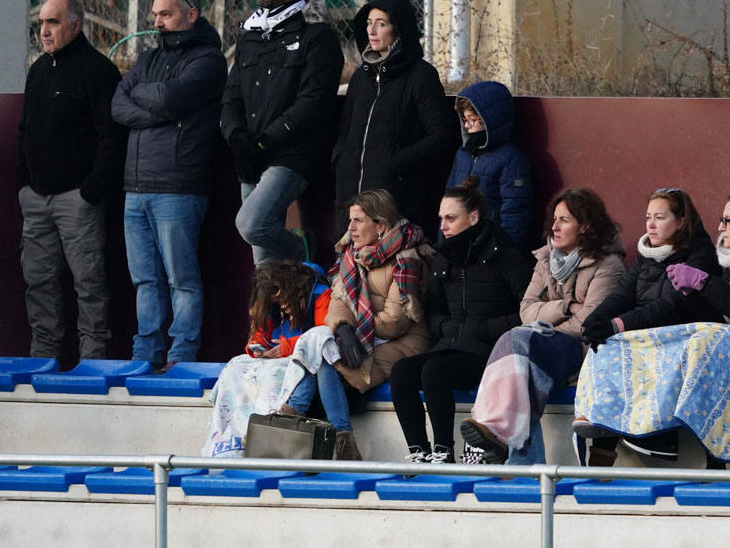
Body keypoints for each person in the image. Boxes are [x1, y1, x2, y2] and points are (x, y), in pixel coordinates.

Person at [574, 188, 730, 466]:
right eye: (722, 220)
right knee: (612, 341)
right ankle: (601, 423)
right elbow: (716, 316)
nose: (721, 227)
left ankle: (694, 448)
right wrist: (694, 294)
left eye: (729, 221)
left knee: (701, 345)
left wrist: (703, 284)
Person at [459, 187, 625, 464]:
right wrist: (563, 307)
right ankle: (512, 450)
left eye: (565, 220)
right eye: (554, 219)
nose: (554, 227)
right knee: (520, 358)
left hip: (583, 350)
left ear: (585, 227)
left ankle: (495, 432)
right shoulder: (546, 258)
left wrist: (543, 326)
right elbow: (526, 311)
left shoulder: (608, 264)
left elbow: (588, 322)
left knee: (520, 342)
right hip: (542, 349)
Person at [110, 0, 226, 369]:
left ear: (191, 15)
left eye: (166, 14)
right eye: (155, 14)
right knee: (145, 280)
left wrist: (153, 99)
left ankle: (180, 356)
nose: (157, 22)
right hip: (135, 186)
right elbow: (118, 105)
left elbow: (167, 98)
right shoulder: (146, 60)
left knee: (181, 279)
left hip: (179, 186)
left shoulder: (208, 60)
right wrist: (155, 107)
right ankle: (146, 353)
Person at [573, 187, 723, 465]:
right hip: (650, 332)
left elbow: (672, 306)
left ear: (680, 221)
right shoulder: (647, 252)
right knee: (605, 342)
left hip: (684, 334)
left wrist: (618, 324)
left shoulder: (699, 254)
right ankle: (598, 427)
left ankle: (655, 435)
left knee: (624, 341)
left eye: (660, 217)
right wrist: (596, 318)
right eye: (648, 217)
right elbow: (623, 292)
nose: (651, 224)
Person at [389, 180, 534, 463]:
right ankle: (419, 452)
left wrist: (483, 329)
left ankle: (444, 452)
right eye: (441, 218)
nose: (443, 225)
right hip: (450, 345)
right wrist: (445, 328)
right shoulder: (444, 259)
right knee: (401, 372)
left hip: (490, 351)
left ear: (474, 217)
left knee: (434, 371)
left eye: (451, 218)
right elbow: (433, 312)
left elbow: (529, 311)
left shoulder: (504, 256)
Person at [221, 0, 345, 264]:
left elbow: (314, 101)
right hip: (251, 154)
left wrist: (266, 140)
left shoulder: (316, 37)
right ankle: (277, 312)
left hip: (291, 155)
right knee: (263, 263)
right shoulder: (251, 35)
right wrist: (237, 137)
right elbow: (231, 95)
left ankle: (302, 254)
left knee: (250, 224)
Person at [16, 0, 123, 360]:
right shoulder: (38, 70)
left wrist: (89, 192)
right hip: (36, 198)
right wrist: (24, 185)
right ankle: (43, 358)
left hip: (78, 200)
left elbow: (112, 138)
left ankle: (92, 359)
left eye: (53, 22)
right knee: (39, 282)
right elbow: (24, 129)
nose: (44, 31)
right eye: (41, 23)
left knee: (88, 283)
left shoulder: (98, 71)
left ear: (76, 25)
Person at [323, 188, 435, 457]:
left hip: (403, 344)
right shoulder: (351, 255)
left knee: (324, 365)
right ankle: (341, 439)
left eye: (358, 221)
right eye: (350, 221)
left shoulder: (408, 258)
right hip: (366, 336)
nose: (351, 228)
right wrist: (343, 327)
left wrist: (355, 325)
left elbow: (396, 321)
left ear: (381, 225)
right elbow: (337, 301)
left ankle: (337, 439)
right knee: (318, 353)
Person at [332, 0, 453, 232]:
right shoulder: (361, 77)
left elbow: (441, 135)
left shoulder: (421, 75)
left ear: (398, 29)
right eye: (368, 23)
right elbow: (345, 131)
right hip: (350, 197)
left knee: (387, 266)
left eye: (381, 23)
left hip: (394, 199)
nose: (372, 30)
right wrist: (341, 160)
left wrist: (396, 164)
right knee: (349, 264)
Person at [202, 259, 333, 458]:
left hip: (305, 358)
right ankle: (231, 436)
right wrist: (257, 347)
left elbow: (324, 335)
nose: (279, 305)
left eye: (280, 299)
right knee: (235, 370)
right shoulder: (269, 300)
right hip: (275, 356)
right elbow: (261, 331)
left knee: (274, 376)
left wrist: (286, 347)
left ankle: (263, 429)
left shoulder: (320, 293)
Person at [443, 81, 533, 247]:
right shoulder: (463, 153)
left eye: (472, 119)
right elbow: (448, 200)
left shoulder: (510, 159)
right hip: (459, 242)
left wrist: (501, 251)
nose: (467, 125)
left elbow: (515, 212)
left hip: (489, 247)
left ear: (491, 120)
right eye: (464, 119)